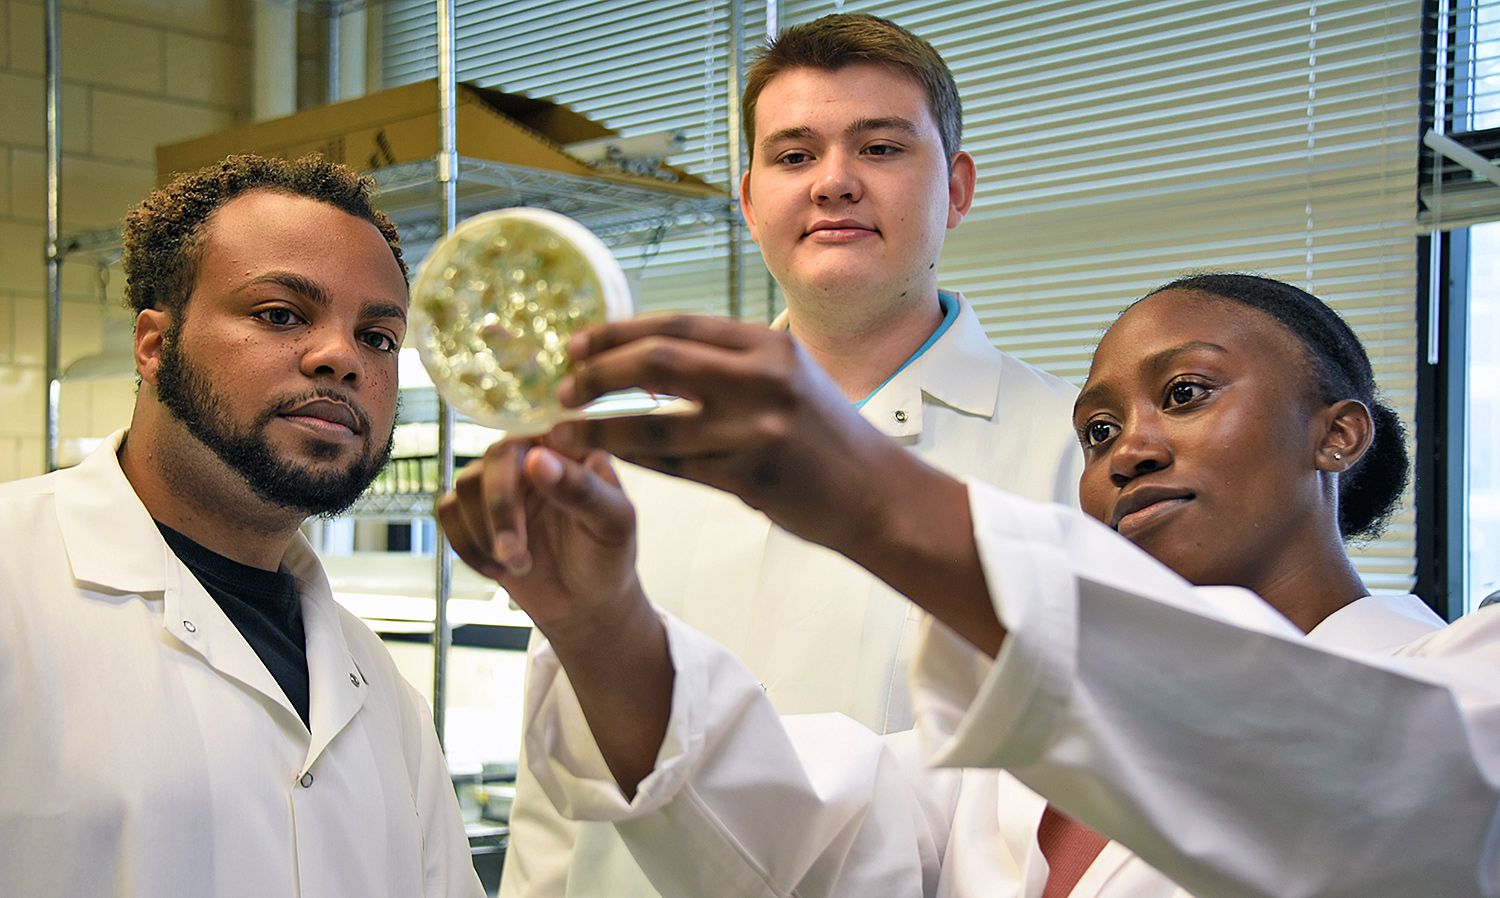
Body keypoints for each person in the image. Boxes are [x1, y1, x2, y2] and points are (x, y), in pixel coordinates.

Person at [440, 274, 1499, 897]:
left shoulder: (1455, 702)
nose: (1127, 450)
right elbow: (793, 835)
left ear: (1339, 433)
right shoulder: (997, 777)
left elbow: (1376, 793)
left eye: (1184, 393)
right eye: (1096, 430)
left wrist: (868, 496)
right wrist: (597, 618)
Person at [498, 13, 1083, 898]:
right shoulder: (645, 456)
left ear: (957, 189)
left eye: (881, 148)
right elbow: (557, 788)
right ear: (748, 199)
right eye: (795, 155)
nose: (834, 183)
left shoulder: (1074, 457)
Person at [0, 155, 484, 898]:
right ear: (154, 345)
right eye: (280, 314)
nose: (342, 359)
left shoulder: (376, 685)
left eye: (378, 336)